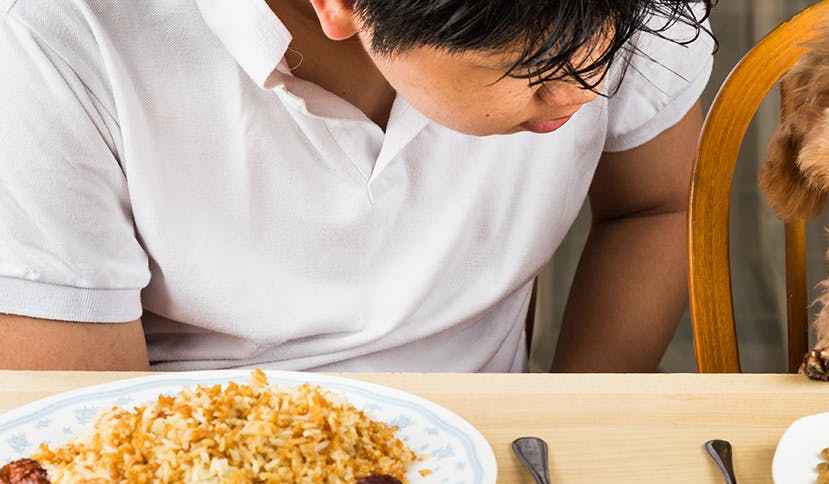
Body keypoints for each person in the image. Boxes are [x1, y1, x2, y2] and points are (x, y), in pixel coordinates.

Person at [0, 0, 714, 373]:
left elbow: (654, 206)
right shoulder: (51, 45)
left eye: (613, 37)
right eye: (534, 65)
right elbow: (83, 428)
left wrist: (568, 432)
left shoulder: (632, 15)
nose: (590, 84)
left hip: (499, 451)